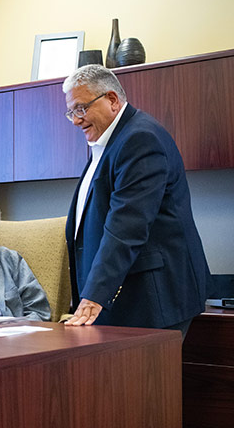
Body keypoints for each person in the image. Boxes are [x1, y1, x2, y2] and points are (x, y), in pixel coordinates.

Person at [62, 65, 209, 334]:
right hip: (122, 298)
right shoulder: (109, 143)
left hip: (153, 298)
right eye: (71, 112)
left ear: (112, 100)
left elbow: (126, 226)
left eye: (81, 109)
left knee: (148, 378)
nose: (75, 120)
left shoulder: (140, 139)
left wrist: (94, 294)